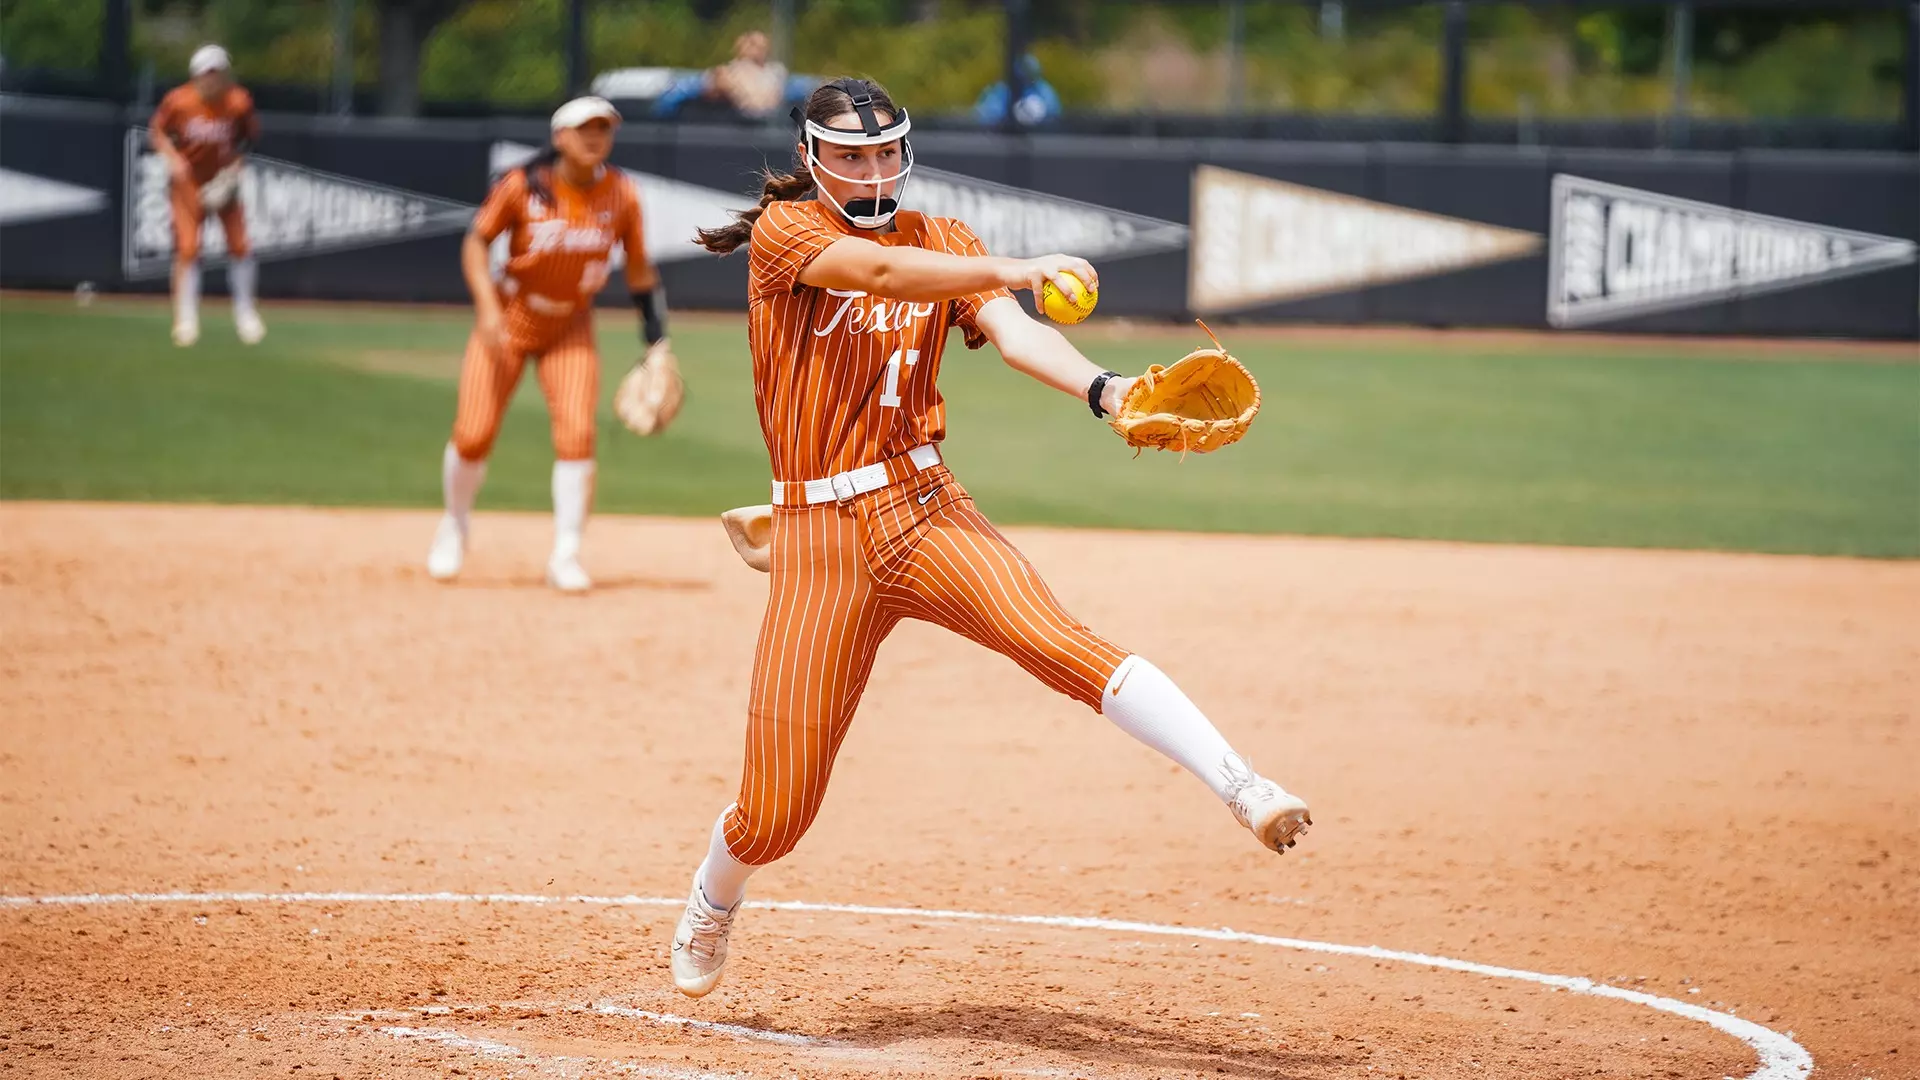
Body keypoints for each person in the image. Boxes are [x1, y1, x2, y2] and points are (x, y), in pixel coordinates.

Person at [668, 77, 1310, 998]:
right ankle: (714, 894)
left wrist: (1107, 390)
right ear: (811, 157)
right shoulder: (788, 235)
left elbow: (1014, 336)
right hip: (820, 539)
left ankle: (1243, 785)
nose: (872, 169)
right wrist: (1013, 267)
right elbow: (880, 274)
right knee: (776, 815)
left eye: (886, 151)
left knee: (1058, 641)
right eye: (850, 154)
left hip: (926, 511)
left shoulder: (944, 239)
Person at [426, 96, 668, 594]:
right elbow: (476, 242)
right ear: (559, 136)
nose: (595, 136)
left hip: (571, 323)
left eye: (604, 128)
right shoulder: (523, 185)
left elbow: (640, 267)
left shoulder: (622, 194)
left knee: (577, 433)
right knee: (473, 433)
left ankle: (566, 553)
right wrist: (487, 310)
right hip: (511, 316)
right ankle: (454, 523)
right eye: (585, 128)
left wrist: (656, 337)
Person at [149, 44, 263, 347]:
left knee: (240, 246)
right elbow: (157, 131)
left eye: (217, 73)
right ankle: (185, 320)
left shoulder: (238, 102)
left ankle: (246, 314)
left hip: (222, 180)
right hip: (189, 181)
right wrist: (174, 159)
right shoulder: (179, 101)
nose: (212, 79)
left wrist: (234, 171)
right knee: (188, 249)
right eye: (206, 74)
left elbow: (248, 140)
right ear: (195, 75)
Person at [972, 53, 1061, 128]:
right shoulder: (1003, 90)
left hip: (1041, 140)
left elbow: (1054, 114)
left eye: (1031, 75)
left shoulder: (1044, 90)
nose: (1027, 79)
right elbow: (985, 115)